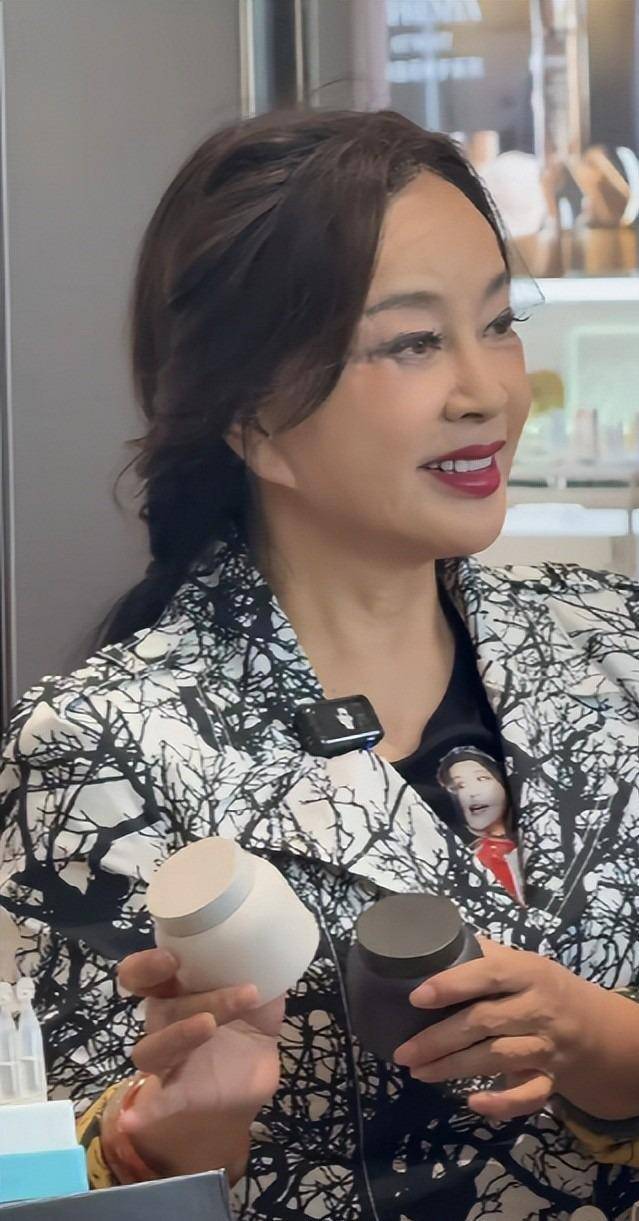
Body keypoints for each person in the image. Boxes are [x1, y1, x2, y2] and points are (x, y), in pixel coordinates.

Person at [2, 108, 639, 1221]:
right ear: (252, 414)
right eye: (411, 342)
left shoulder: (613, 647)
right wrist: (175, 1136)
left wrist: (599, 1041)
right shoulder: (105, 745)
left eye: (498, 322)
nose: (488, 390)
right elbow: (68, 1180)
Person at [437, 746, 524, 903]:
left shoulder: (542, 827)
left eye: (482, 779)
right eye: (460, 786)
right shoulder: (475, 862)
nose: (472, 792)